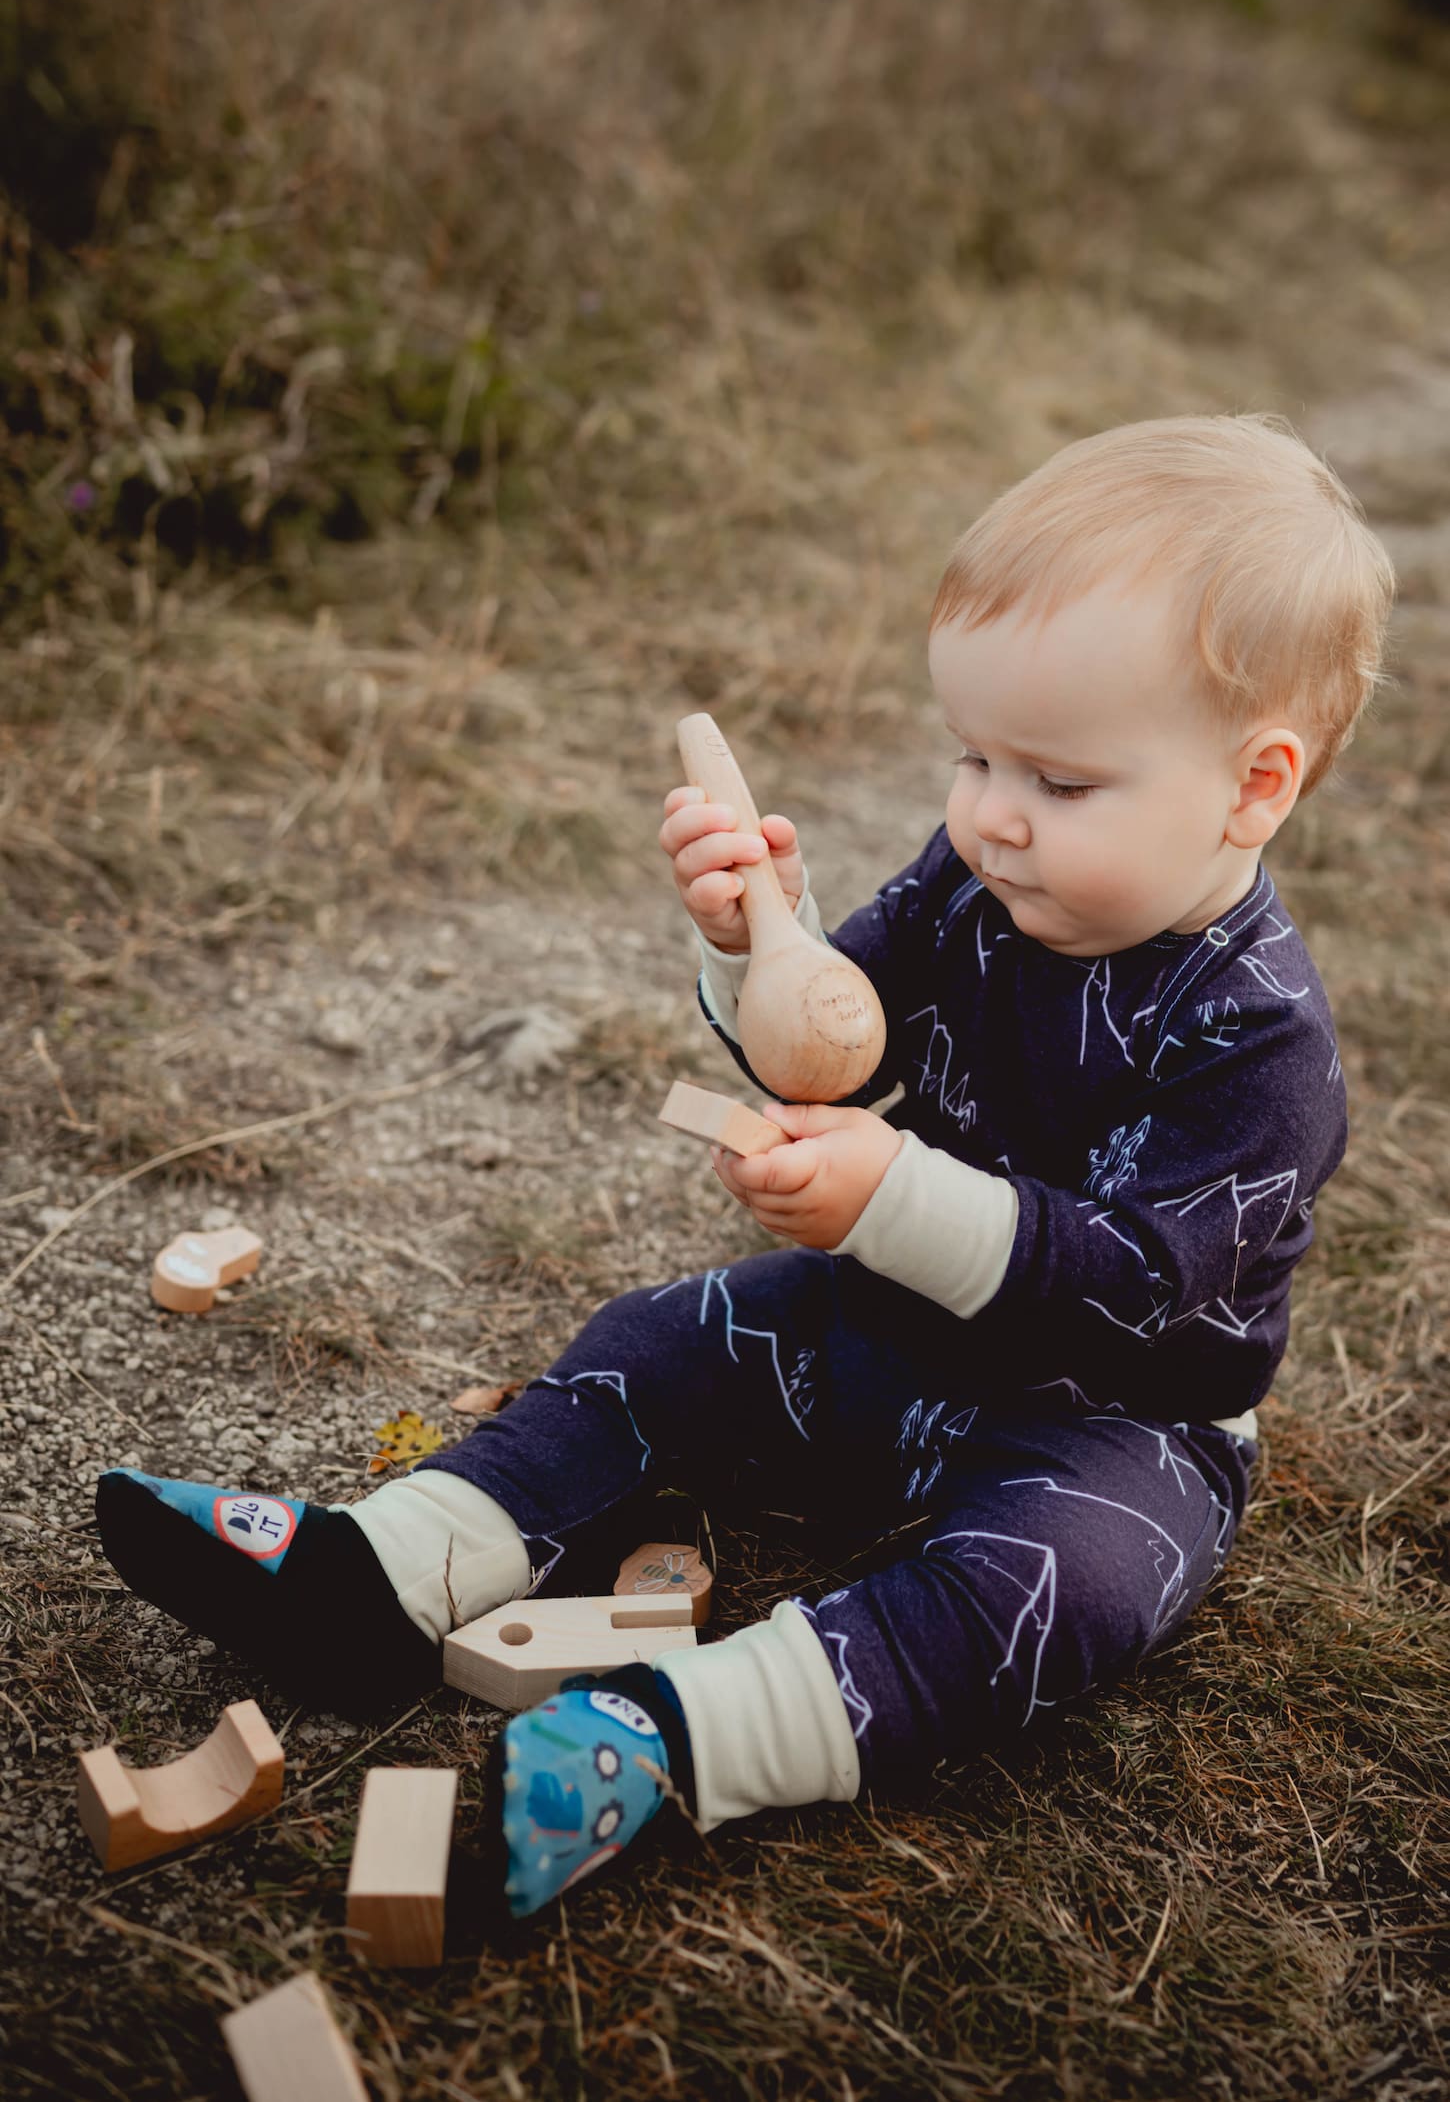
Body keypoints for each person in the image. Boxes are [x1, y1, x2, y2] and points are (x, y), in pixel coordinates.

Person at [95, 415, 1394, 1921]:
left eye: (1056, 778)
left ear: (1253, 787)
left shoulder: (1255, 1044)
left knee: (1054, 1587)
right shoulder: (984, 878)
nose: (988, 813)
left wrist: (891, 1199)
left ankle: (674, 1739)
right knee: (660, 1341)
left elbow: (1129, 1294)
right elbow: (833, 1043)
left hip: (1111, 1418)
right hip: (890, 1328)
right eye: (970, 755)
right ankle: (381, 1571)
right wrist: (751, 944)